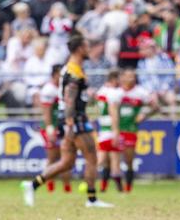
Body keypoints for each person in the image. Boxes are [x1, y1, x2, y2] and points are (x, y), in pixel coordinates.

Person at [21, 34, 113, 208]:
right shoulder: (72, 72)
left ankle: (32, 185)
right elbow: (69, 99)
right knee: (92, 158)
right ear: (79, 49)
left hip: (72, 119)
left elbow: (74, 96)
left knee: (66, 162)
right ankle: (92, 199)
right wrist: (71, 123)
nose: (89, 50)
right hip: (75, 119)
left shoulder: (74, 69)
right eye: (86, 47)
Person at [118, 68, 158, 192]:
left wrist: (144, 115)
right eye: (128, 76)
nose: (131, 79)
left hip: (130, 129)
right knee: (111, 159)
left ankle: (128, 188)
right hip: (114, 129)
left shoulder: (141, 92)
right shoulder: (116, 92)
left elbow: (156, 107)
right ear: (122, 78)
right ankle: (113, 186)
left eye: (133, 76)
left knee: (129, 160)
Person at [37, 65, 71, 193]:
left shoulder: (64, 88)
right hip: (51, 127)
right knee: (52, 158)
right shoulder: (48, 89)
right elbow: (46, 111)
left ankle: (67, 187)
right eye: (61, 75)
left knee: (66, 158)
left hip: (63, 127)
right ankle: (50, 187)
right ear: (55, 75)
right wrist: (50, 128)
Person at [95, 70, 124, 193]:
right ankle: (120, 189)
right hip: (111, 129)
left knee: (103, 160)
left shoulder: (101, 91)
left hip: (103, 128)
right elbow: (114, 113)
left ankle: (103, 187)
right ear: (114, 79)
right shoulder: (113, 93)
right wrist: (116, 131)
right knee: (114, 160)